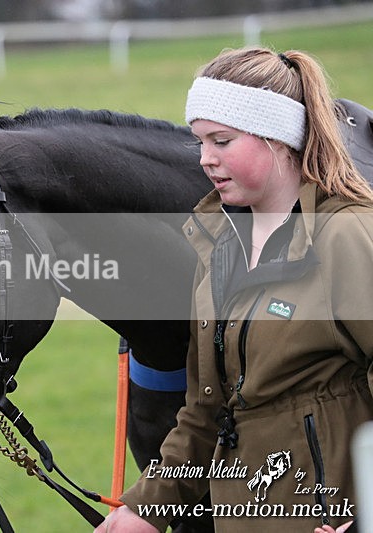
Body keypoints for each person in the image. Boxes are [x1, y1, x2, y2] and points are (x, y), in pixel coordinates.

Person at [96, 47, 373, 532]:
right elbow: (207, 410)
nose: (205, 159)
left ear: (280, 139)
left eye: (222, 140)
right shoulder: (217, 246)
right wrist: (144, 509)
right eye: (200, 141)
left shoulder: (348, 236)